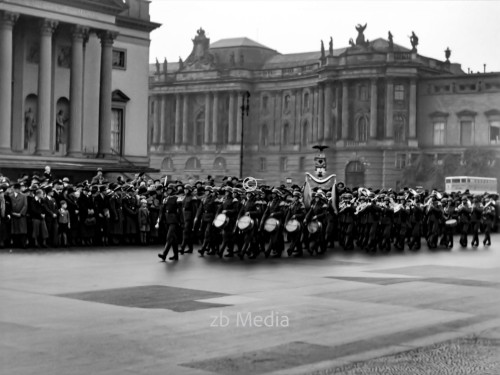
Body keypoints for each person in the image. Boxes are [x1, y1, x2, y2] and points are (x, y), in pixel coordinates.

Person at [10, 183, 28, 248]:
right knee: (15, 230)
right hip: (13, 215)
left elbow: (25, 206)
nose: (18, 190)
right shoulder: (10, 196)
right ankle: (15, 244)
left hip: (21, 216)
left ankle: (23, 244)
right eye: (17, 189)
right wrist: (12, 213)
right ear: (14, 189)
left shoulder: (24, 196)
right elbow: (9, 206)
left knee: (22, 230)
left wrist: (20, 213)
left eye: (19, 189)